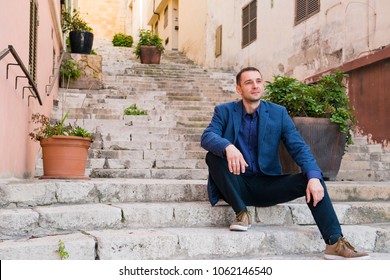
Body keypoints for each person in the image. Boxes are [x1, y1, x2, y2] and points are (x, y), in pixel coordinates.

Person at [200, 66, 369, 260]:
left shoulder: (278, 113)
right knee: (213, 156)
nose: (255, 86)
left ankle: (334, 243)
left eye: (258, 81)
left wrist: (314, 176)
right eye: (248, 82)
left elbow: (298, 147)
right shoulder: (224, 111)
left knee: (313, 178)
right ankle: (242, 212)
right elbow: (208, 136)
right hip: (235, 185)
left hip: (268, 184)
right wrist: (228, 147)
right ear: (239, 89)